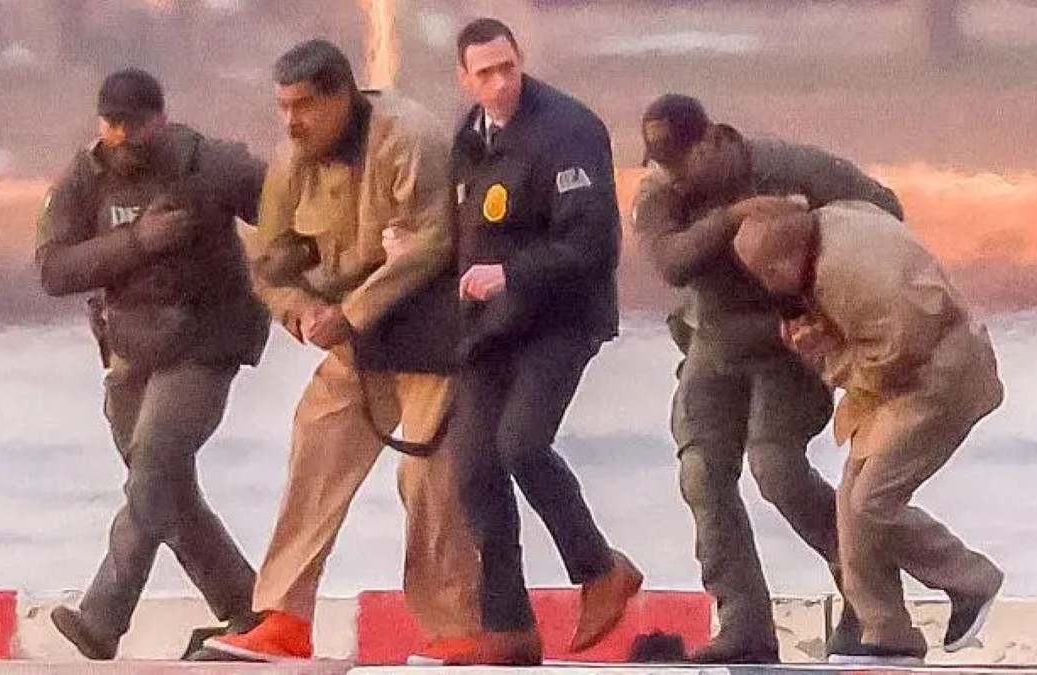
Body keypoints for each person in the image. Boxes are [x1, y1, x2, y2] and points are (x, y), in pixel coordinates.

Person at [199, 39, 481, 664]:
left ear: (340, 97)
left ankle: (455, 627)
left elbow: (431, 242)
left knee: (429, 479)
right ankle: (283, 618)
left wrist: (348, 313)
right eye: (282, 107)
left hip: (432, 333)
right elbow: (268, 263)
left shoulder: (408, 138)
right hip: (355, 344)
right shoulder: (292, 161)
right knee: (317, 447)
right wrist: (299, 311)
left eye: (302, 106)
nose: (290, 122)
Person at [631, 94, 906, 663]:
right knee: (702, 473)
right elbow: (672, 261)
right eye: (663, 164)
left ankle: (866, 594)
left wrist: (826, 276)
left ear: (711, 140)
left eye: (682, 160)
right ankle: (743, 621)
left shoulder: (786, 168)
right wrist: (734, 218)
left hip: (789, 342)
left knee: (777, 469)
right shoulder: (659, 194)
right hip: (715, 339)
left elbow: (884, 210)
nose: (674, 175)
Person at [35, 67, 269, 660]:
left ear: (159, 120)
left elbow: (286, 203)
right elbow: (54, 269)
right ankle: (249, 609)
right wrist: (139, 241)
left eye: (133, 125)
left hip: (204, 343)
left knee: (154, 470)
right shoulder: (84, 179)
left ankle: (101, 619)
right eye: (111, 124)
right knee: (168, 493)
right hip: (131, 350)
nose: (121, 137)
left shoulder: (204, 163)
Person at [443, 18, 642, 666]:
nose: (501, 82)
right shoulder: (470, 137)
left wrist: (509, 273)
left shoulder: (567, 130)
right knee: (473, 465)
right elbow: (468, 229)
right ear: (465, 80)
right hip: (492, 327)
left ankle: (600, 569)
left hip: (561, 317)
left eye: (508, 67)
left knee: (522, 443)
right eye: (486, 73)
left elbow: (591, 245)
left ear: (521, 60)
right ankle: (508, 628)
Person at [731, 197, 1005, 666]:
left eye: (766, 275)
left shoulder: (848, 276)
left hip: (941, 378)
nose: (767, 288)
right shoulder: (835, 221)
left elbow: (897, 350)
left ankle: (970, 579)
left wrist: (825, 354)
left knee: (873, 501)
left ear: (783, 262)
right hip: (910, 376)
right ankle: (885, 629)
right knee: (850, 501)